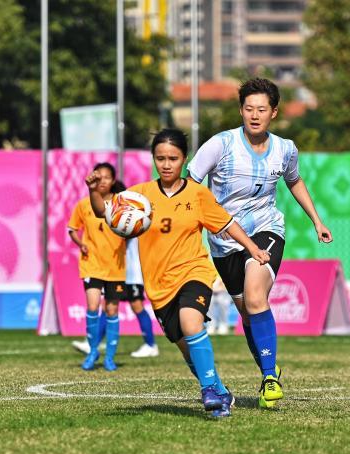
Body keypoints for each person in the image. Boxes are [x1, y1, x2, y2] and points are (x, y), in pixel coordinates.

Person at [87, 129, 270, 418]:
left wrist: (252, 248)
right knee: (187, 348)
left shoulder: (197, 194)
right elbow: (103, 212)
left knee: (190, 321)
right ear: (154, 159)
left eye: (173, 158)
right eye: (160, 158)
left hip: (194, 271)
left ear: (184, 159)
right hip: (159, 286)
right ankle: (219, 390)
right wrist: (94, 191)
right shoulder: (139, 195)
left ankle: (209, 391)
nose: (166, 164)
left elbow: (226, 223)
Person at [187, 77, 333, 409]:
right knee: (248, 314)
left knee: (255, 296)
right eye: (249, 109)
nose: (255, 115)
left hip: (266, 230)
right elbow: (190, 184)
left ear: (274, 112)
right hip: (224, 241)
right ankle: (270, 368)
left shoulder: (285, 149)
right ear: (241, 110)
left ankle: (269, 378)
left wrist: (317, 220)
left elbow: (294, 181)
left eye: (262, 109)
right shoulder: (220, 145)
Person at [68, 162, 126, 372]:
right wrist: (80, 243)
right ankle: (92, 351)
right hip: (91, 264)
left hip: (115, 266)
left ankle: (109, 357)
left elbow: (131, 228)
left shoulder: (122, 203)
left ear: (113, 180)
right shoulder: (84, 204)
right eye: (99, 177)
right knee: (92, 307)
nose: (102, 181)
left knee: (112, 310)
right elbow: (72, 229)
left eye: (107, 177)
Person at [71, 223, 159, 358]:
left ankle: (150, 345)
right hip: (118, 271)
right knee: (107, 306)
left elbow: (126, 235)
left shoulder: (132, 220)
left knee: (137, 305)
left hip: (132, 272)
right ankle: (94, 343)